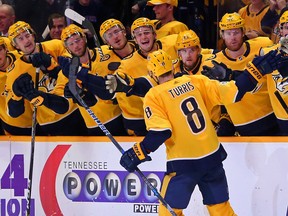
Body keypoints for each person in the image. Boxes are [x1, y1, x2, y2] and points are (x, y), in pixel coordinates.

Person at [119, 49, 282, 215]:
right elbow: (234, 92)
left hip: (184, 164)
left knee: (169, 212)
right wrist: (256, 71)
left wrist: (138, 152)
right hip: (212, 158)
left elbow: (161, 132)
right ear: (174, 67)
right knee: (220, 209)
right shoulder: (195, 81)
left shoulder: (153, 96)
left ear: (151, 74)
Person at [203, 12, 280, 136]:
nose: (233, 37)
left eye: (236, 32)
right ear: (221, 34)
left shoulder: (261, 45)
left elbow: (282, 53)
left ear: (243, 32)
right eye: (228, 33)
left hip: (272, 119)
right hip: (243, 127)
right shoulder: (214, 63)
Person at [5, 21, 87, 136]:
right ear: (16, 46)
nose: (26, 40)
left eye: (27, 35)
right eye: (20, 39)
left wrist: (52, 67)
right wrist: (16, 96)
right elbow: (13, 113)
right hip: (50, 123)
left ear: (33, 35)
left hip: (76, 111)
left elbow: (75, 69)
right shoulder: (15, 72)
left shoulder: (56, 46)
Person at [56, 23, 127, 136]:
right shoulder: (65, 72)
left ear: (84, 38)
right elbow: (62, 102)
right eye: (71, 43)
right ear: (67, 48)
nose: (76, 46)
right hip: (94, 126)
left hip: (119, 117)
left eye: (78, 40)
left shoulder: (105, 52)